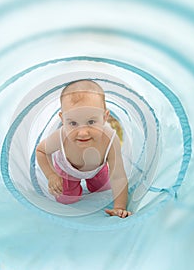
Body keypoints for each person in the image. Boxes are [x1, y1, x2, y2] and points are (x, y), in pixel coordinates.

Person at [36, 80, 131, 218]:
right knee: (67, 200)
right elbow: (41, 151)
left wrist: (119, 207)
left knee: (103, 191)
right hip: (67, 171)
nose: (82, 133)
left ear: (105, 117)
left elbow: (118, 176)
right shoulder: (61, 136)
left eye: (91, 122)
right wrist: (51, 175)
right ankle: (73, 188)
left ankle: (93, 182)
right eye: (73, 123)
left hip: (97, 170)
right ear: (63, 119)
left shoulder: (110, 139)